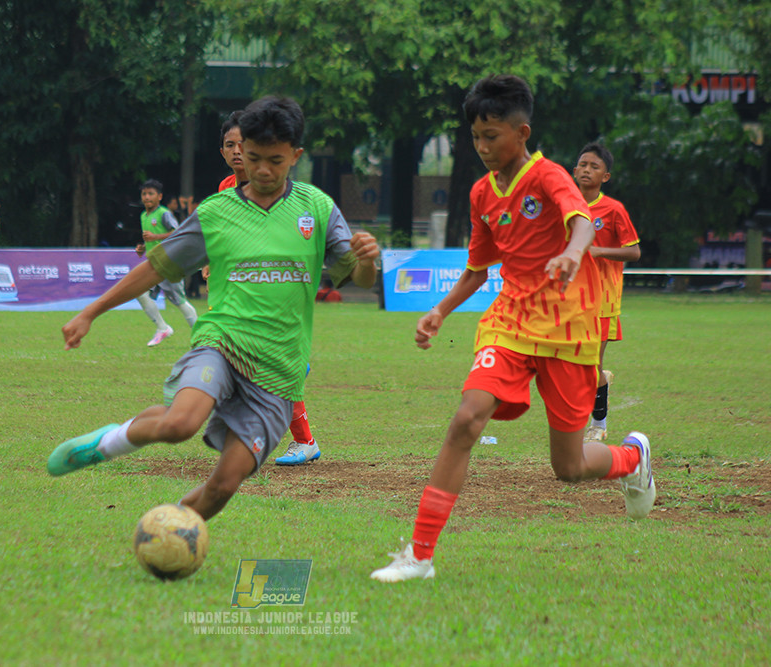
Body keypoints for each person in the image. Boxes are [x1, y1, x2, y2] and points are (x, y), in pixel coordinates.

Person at [370, 75, 656, 583]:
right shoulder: (482, 193)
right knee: (466, 419)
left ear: (521, 132)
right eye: (476, 136)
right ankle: (418, 555)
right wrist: (440, 310)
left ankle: (632, 456)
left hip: (571, 329)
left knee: (568, 468)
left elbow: (582, 223)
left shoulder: (548, 176)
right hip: (510, 320)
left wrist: (571, 253)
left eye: (492, 136)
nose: (482, 147)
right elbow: (478, 268)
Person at [47, 96, 379, 524]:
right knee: (180, 424)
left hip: (280, 370)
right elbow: (154, 268)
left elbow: (360, 280)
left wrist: (367, 260)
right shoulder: (217, 212)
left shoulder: (316, 208)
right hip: (221, 344)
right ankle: (105, 444)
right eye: (253, 157)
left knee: (224, 485)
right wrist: (90, 312)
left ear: (295, 156)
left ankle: (170, 532)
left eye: (274, 160)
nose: (260, 169)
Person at [217, 108, 323, 466]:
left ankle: (259, 438)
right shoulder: (225, 189)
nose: (236, 152)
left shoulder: (281, 191)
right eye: (229, 145)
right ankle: (300, 440)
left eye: (240, 144)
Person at [573, 142, 641, 443]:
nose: (587, 170)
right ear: (574, 170)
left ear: (606, 177)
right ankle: (600, 381)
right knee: (568, 368)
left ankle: (598, 424)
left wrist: (598, 251)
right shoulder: (563, 205)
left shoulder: (613, 210)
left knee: (588, 368)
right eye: (583, 164)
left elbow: (634, 252)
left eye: (594, 166)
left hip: (602, 300)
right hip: (566, 300)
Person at [135, 179, 198, 347]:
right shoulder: (143, 215)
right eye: (144, 194)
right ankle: (162, 328)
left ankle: (201, 335)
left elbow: (177, 233)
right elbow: (150, 239)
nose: (147, 197)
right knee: (140, 293)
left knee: (180, 301)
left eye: (151, 194)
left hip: (169, 263)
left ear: (159, 197)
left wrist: (155, 238)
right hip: (153, 263)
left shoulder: (164, 214)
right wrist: (143, 248)